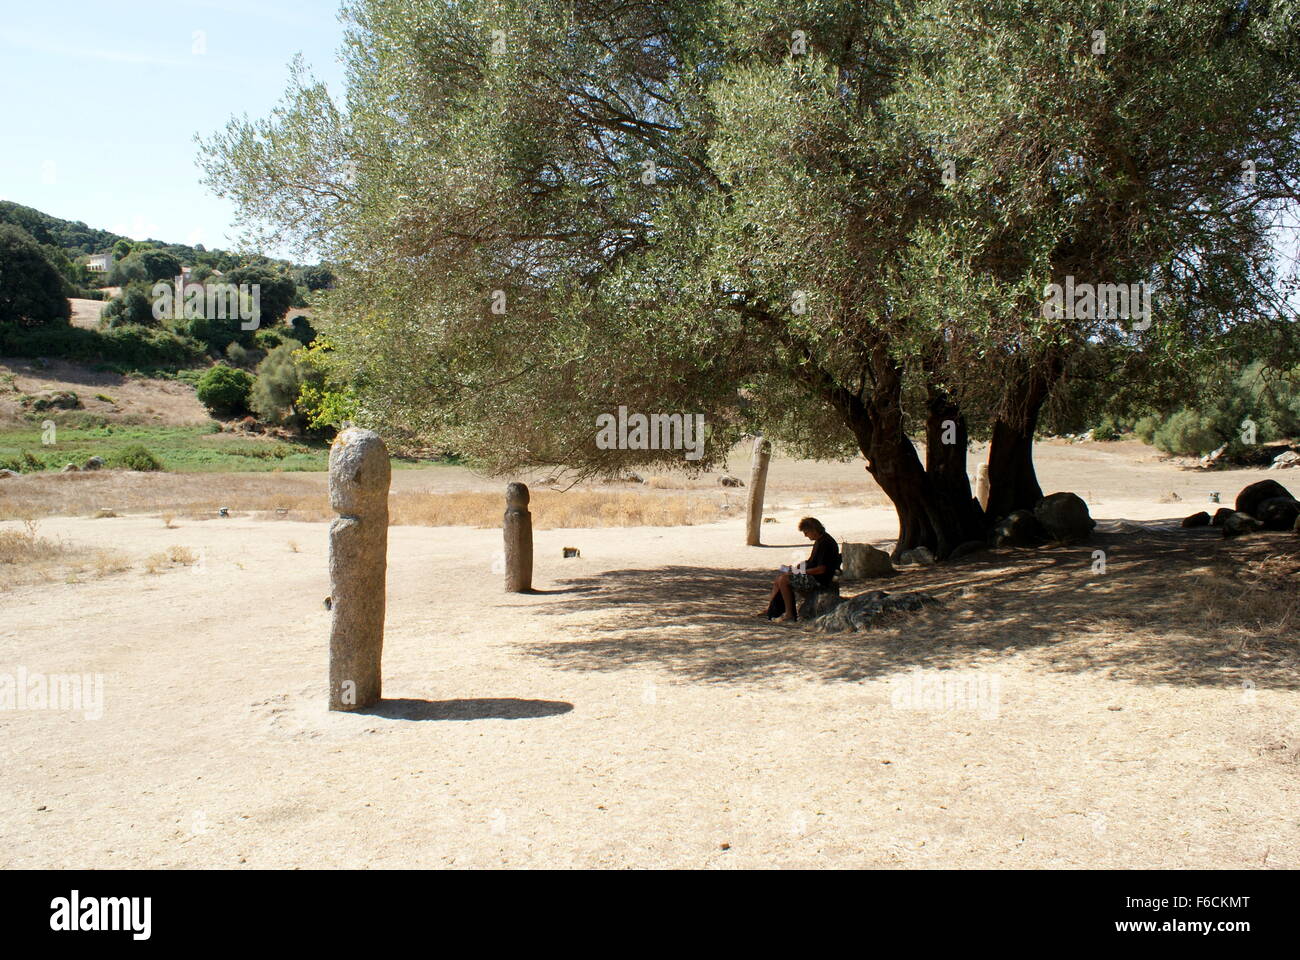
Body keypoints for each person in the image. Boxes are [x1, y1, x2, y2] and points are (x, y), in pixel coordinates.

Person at [759, 517, 840, 622]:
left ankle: (790, 614)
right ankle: (771, 609)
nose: (805, 535)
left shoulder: (826, 543)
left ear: (813, 530)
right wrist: (799, 567)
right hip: (813, 575)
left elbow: (821, 569)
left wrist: (802, 571)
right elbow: (813, 562)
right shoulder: (820, 541)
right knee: (779, 577)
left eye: (806, 532)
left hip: (820, 580)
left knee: (784, 580)